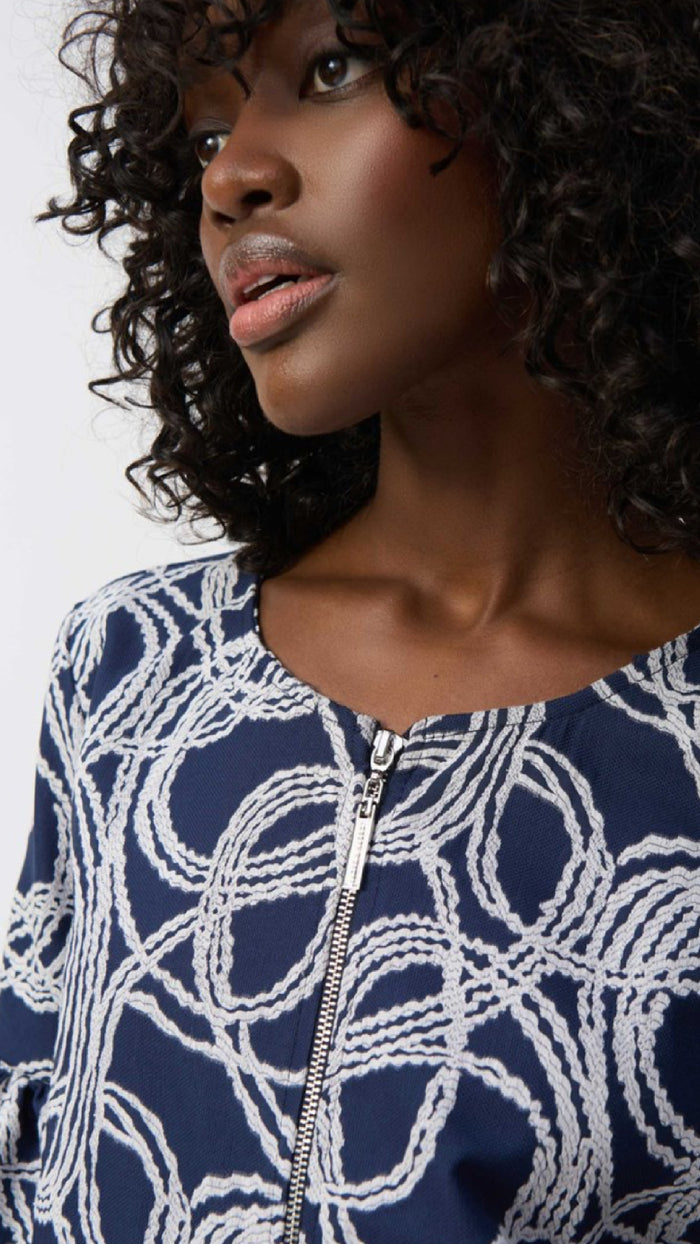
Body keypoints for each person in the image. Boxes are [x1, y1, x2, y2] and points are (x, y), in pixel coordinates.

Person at [2, 0, 699, 1239]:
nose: (232, 176)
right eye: (203, 134)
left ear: (560, 98)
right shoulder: (132, 671)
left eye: (328, 69)